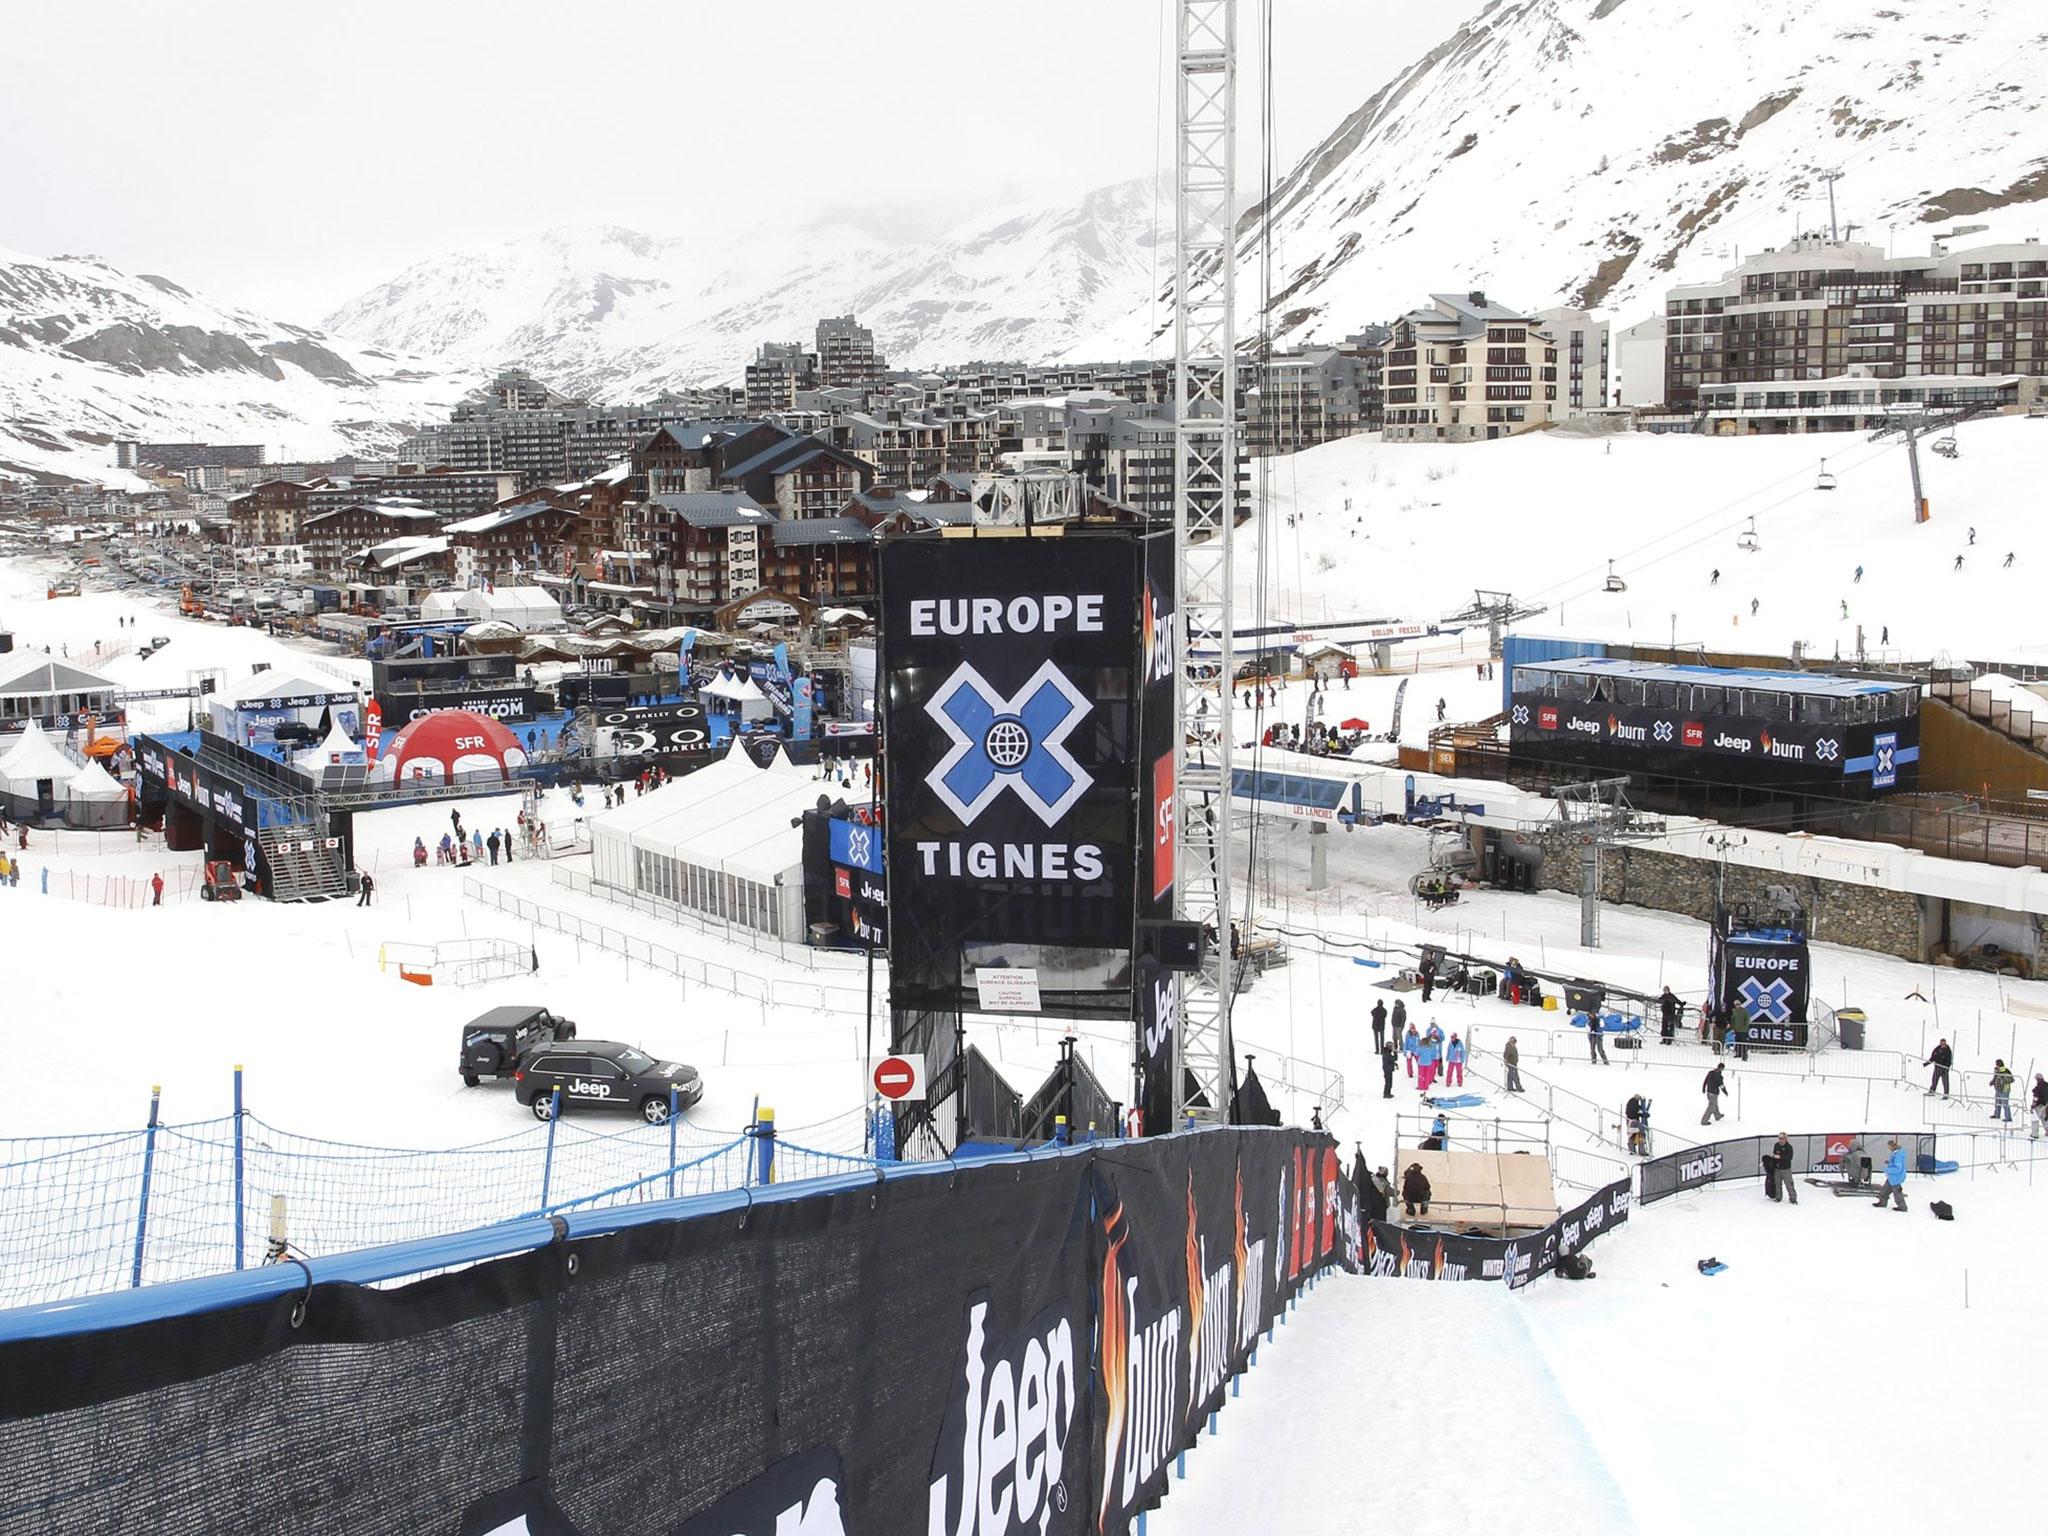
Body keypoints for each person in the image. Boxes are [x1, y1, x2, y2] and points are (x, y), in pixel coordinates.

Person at [1874, 1138, 1908, 1211]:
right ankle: (1882, 1203)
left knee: (1897, 1193)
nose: (1888, 1148)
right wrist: (1889, 1162)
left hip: (1896, 1178)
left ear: (1892, 1146)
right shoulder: (1896, 1153)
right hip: (1891, 1177)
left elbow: (1898, 1168)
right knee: (1884, 1190)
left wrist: (1887, 1170)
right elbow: (1894, 1163)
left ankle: (1902, 1207)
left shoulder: (1898, 1155)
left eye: (1889, 1146)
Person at [1768, 1132, 1799, 1205]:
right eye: (1779, 1138)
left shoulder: (1789, 1147)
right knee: (1777, 1184)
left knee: (1789, 1184)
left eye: (1782, 1138)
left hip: (1786, 1169)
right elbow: (1774, 1154)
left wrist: (1780, 1157)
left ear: (1785, 1139)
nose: (1780, 1140)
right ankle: (1778, 1197)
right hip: (1777, 1168)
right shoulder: (1776, 1145)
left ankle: (1793, 1199)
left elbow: (1789, 1158)